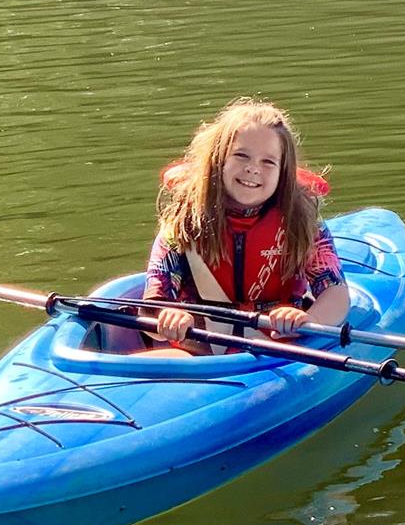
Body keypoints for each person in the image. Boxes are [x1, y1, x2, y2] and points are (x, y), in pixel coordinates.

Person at [140, 97, 348, 357]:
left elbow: (336, 292)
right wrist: (168, 317)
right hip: (198, 351)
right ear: (218, 160)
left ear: (283, 171)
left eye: (268, 162)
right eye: (241, 155)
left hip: (279, 348)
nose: (252, 169)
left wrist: (310, 320)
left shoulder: (303, 224)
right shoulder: (182, 222)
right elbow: (152, 308)